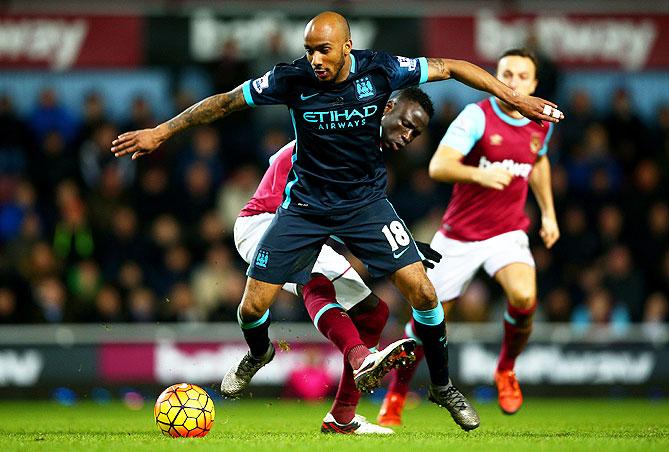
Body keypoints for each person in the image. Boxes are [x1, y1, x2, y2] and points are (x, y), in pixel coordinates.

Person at [111, 13, 562, 432]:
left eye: (323, 50)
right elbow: (227, 102)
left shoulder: (382, 70)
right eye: (309, 50)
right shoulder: (292, 79)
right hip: (304, 208)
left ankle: (442, 387)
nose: (315, 60)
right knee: (251, 308)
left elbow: (455, 66)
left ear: (348, 46)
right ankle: (260, 351)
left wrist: (516, 100)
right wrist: (162, 132)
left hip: (365, 206)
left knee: (424, 292)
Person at [235, 88, 438, 434]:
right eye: (404, 125)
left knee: (374, 313)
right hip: (264, 222)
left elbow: (344, 213)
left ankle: (342, 417)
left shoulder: (362, 150)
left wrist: (397, 242)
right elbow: (318, 205)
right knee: (313, 280)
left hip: (308, 226)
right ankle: (359, 357)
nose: (406, 138)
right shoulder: (339, 139)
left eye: (414, 133)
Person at [378, 48, 560, 425]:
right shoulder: (477, 116)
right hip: (458, 236)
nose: (513, 82)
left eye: (522, 76)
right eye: (506, 73)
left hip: (507, 231)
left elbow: (538, 160)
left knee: (525, 296)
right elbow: (439, 165)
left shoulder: (541, 120)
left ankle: (506, 370)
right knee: (426, 322)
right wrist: (481, 174)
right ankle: (397, 393)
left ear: (534, 83)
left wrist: (548, 213)